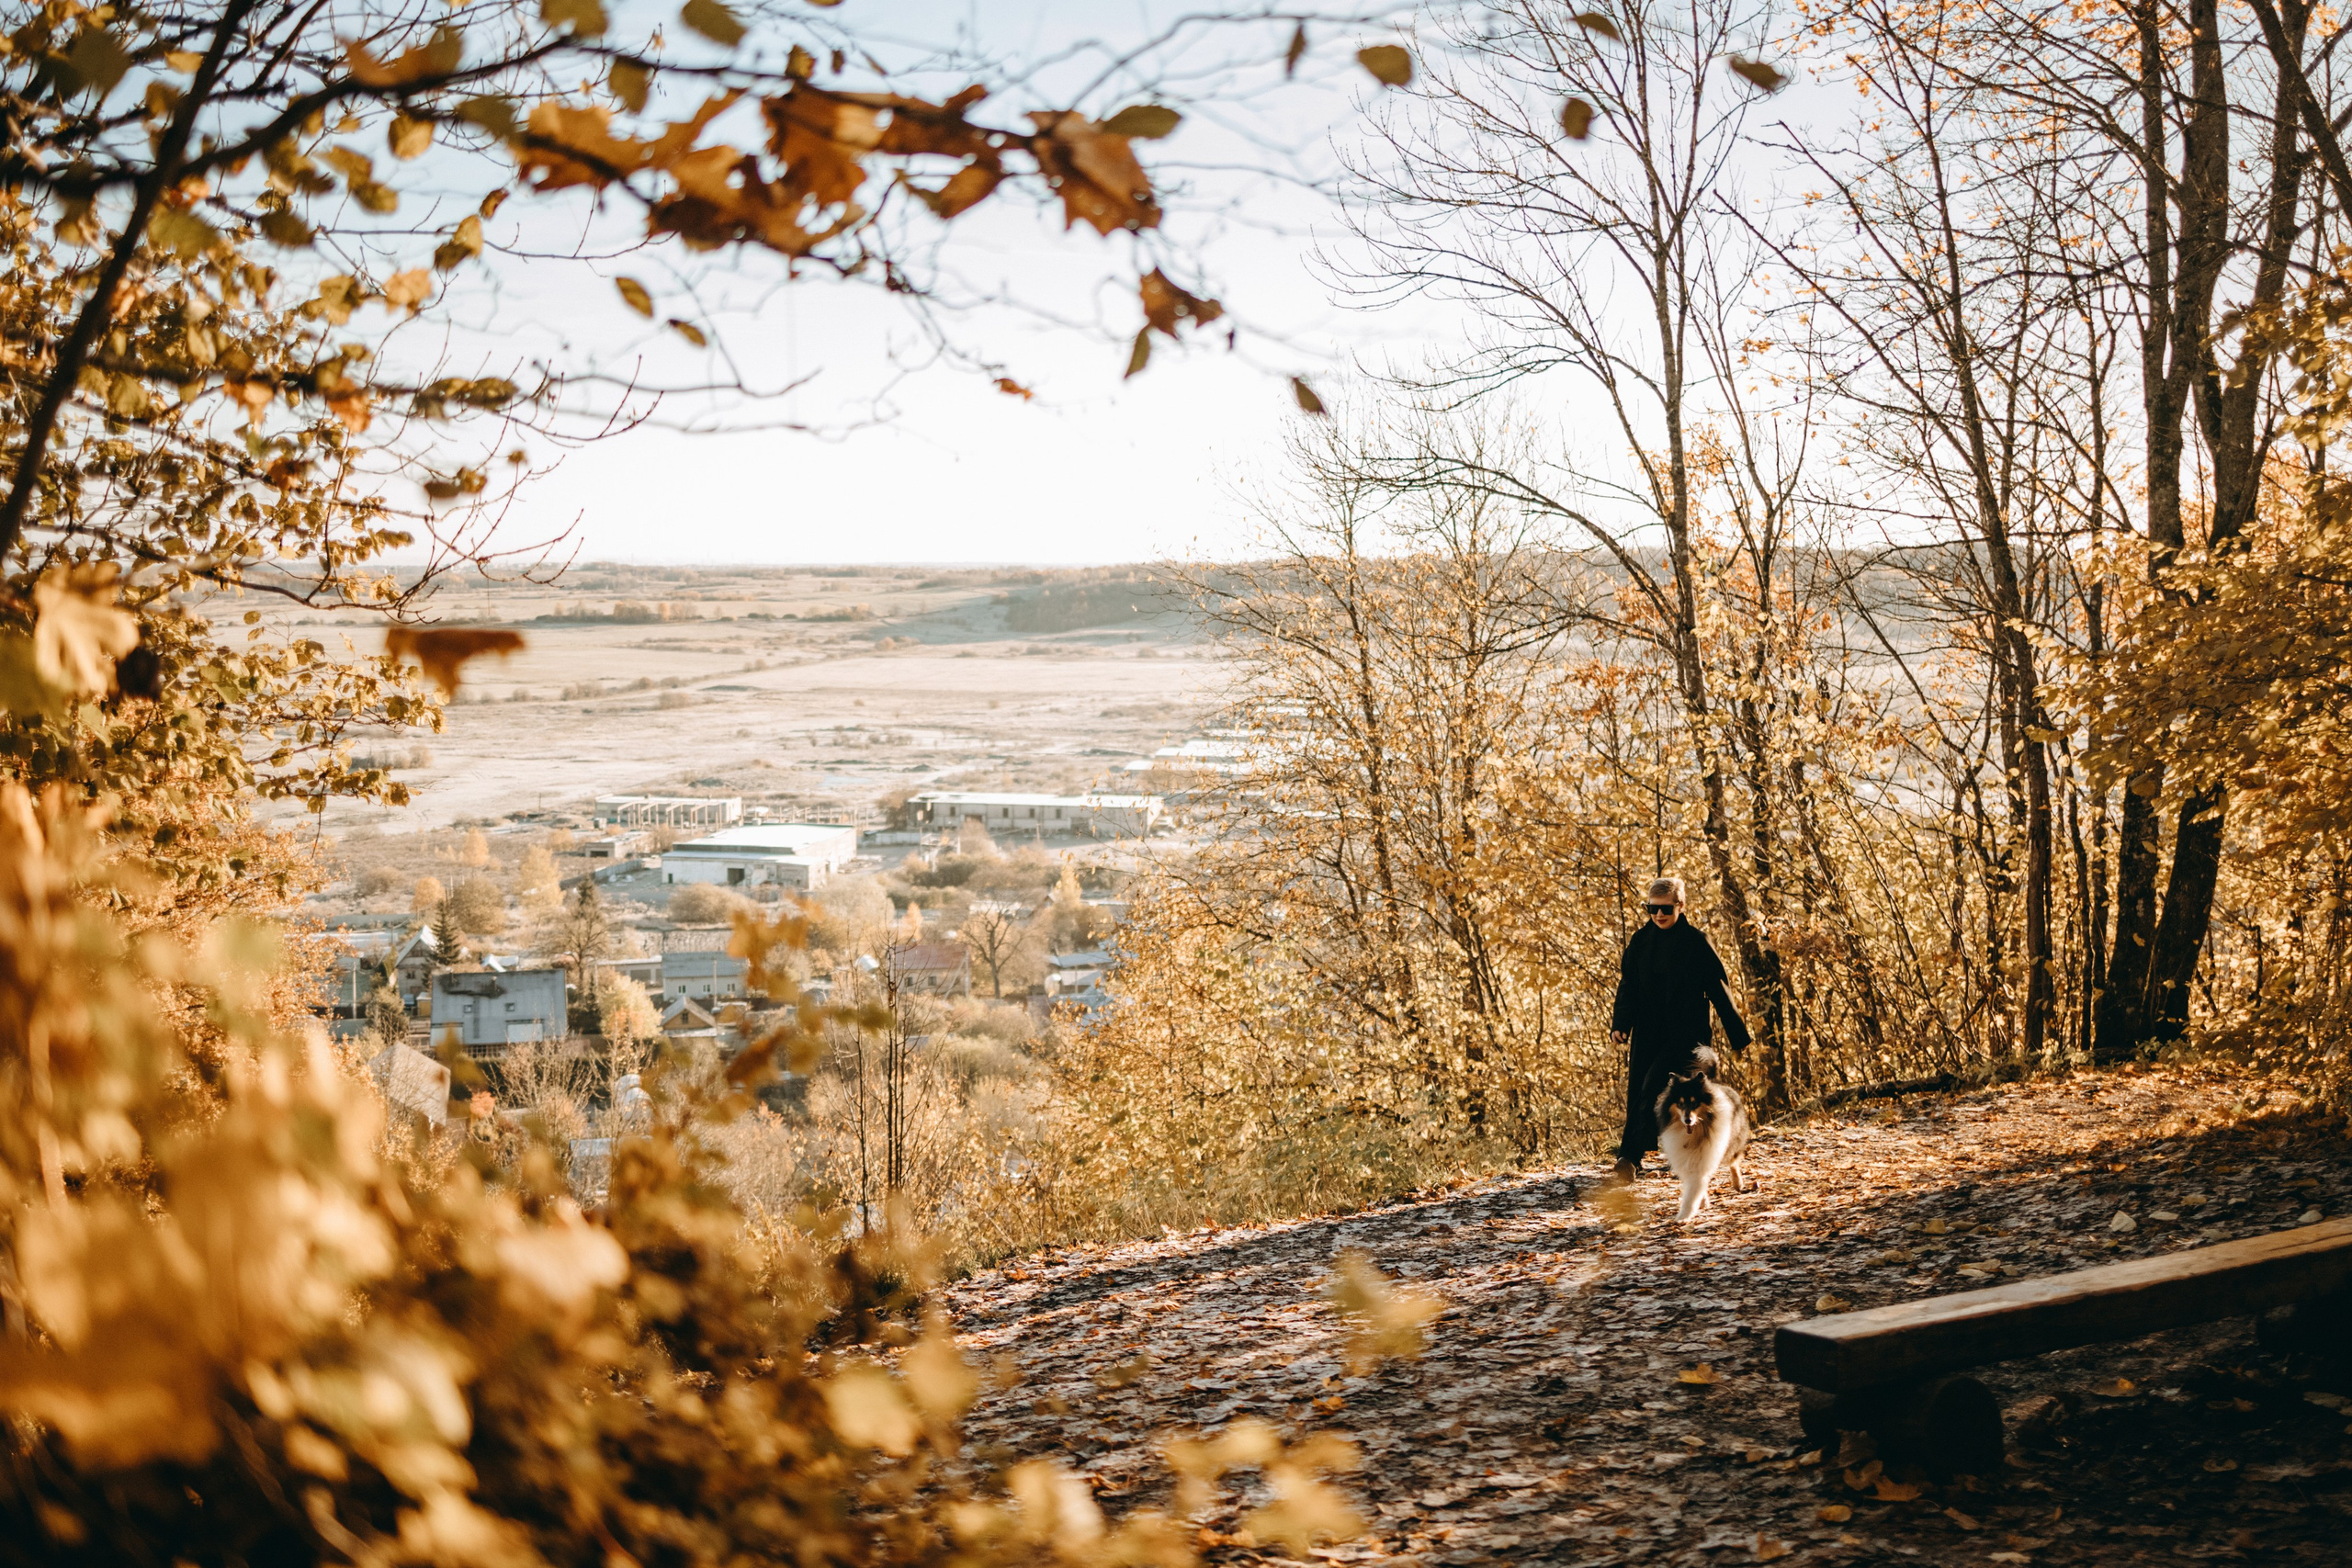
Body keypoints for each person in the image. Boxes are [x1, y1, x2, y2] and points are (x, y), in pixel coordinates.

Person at [1608, 876, 1748, 1183]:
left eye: (1666, 909)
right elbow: (1628, 985)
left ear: (1680, 906)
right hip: (1648, 1031)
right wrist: (1621, 1024)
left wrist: (1736, 1034)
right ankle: (1632, 1157)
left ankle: (1633, 1158)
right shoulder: (1640, 942)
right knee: (1639, 1094)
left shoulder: (1696, 942)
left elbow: (1718, 988)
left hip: (1686, 1034)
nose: (1659, 915)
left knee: (1658, 1088)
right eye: (1652, 909)